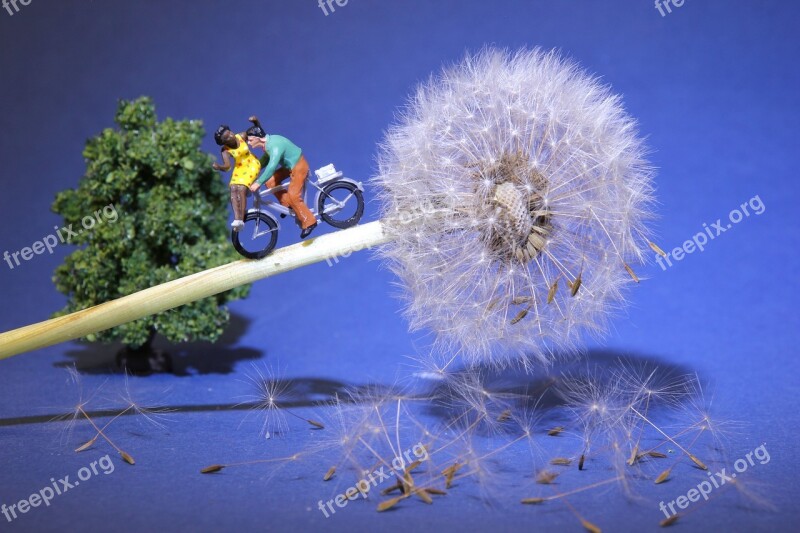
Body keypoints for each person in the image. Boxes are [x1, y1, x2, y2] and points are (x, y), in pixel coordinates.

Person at [245, 116, 317, 239]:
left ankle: (309, 222)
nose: (248, 143)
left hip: (298, 166)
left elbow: (272, 165)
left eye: (250, 140)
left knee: (294, 196)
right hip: (289, 166)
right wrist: (251, 172)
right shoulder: (266, 145)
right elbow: (264, 161)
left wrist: (258, 182)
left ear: (258, 138)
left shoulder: (274, 145)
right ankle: (287, 205)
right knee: (271, 181)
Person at [212, 125, 261, 232]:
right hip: (239, 168)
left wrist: (256, 123)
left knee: (241, 188)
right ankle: (237, 219)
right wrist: (219, 167)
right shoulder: (225, 150)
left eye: (230, 132)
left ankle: (242, 217)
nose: (231, 135)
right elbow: (228, 167)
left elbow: (257, 133)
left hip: (252, 164)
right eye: (227, 137)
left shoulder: (242, 136)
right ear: (224, 142)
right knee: (233, 188)